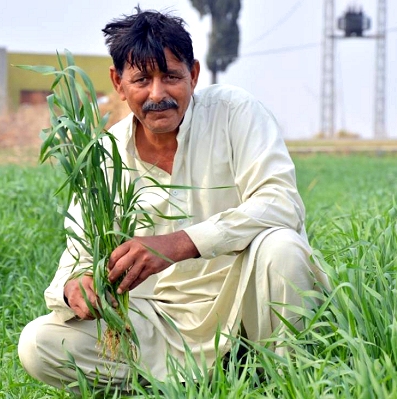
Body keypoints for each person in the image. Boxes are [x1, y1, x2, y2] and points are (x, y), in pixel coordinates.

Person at [18, 7, 329, 393]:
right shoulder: (104, 155)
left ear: (194, 74)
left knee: (281, 246)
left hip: (247, 306)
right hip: (157, 324)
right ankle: (187, 382)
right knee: (38, 344)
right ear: (118, 82)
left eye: (171, 77)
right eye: (141, 79)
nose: (157, 94)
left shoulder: (234, 112)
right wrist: (75, 286)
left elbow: (282, 202)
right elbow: (77, 257)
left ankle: (286, 378)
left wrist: (179, 244)